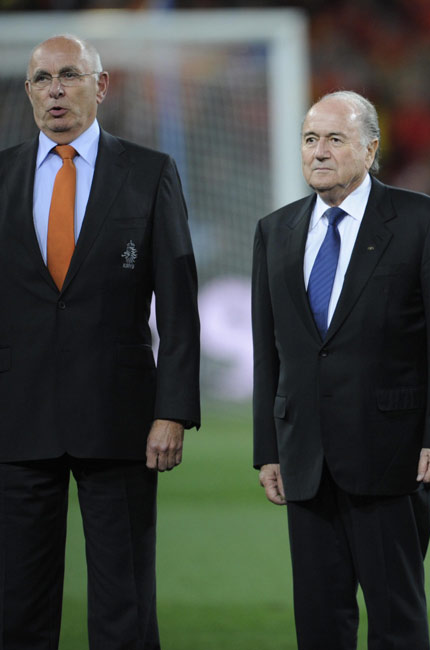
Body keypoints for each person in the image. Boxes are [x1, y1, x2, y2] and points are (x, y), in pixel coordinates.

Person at [0, 35, 200, 649]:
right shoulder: (0, 175)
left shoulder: (149, 172)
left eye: (69, 75)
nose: (55, 90)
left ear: (101, 85)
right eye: (42, 79)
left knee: (125, 606)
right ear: (28, 91)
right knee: (15, 605)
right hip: (16, 418)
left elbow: (179, 305)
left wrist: (172, 411)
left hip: (121, 420)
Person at [252, 90, 430, 650]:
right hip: (304, 458)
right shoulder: (275, 230)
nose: (318, 151)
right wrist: (268, 448)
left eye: (334, 139)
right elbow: (268, 352)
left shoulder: (423, 220)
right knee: (319, 623)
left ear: (371, 149)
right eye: (310, 139)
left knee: (396, 621)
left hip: (393, 455)